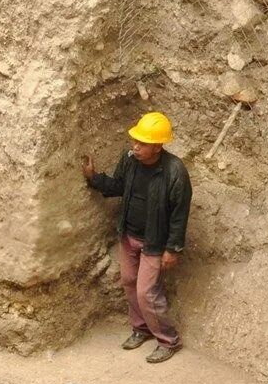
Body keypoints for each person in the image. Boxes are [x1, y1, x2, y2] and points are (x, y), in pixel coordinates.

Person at [82, 112, 192, 364]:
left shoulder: (175, 172)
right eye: (135, 141)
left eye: (142, 143)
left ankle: (167, 340)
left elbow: (179, 214)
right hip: (129, 235)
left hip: (155, 242)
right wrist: (94, 178)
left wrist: (173, 248)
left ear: (157, 146)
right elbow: (119, 187)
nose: (136, 146)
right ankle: (140, 328)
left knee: (146, 292)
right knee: (129, 282)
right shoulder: (130, 160)